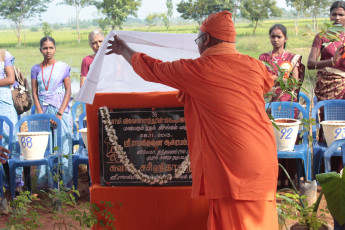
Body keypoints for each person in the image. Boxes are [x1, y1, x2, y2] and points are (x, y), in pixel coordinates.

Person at [106, 11, 278, 230]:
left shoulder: (196, 70)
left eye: (198, 39)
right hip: (264, 156)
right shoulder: (255, 65)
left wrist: (123, 49)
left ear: (206, 39)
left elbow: (152, 69)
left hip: (234, 165)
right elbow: (268, 82)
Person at [31, 36, 73, 188]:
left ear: (55, 49)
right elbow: (34, 93)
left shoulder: (63, 67)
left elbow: (68, 90)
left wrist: (59, 114)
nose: (48, 51)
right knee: (45, 146)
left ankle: (65, 184)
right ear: (40, 50)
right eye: (45, 48)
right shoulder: (36, 69)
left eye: (51, 48)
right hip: (43, 110)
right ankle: (47, 185)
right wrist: (42, 114)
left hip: (61, 111)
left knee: (64, 146)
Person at [259, 24, 304, 102]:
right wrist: (283, 79)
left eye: (279, 37)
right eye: (273, 37)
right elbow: (260, 79)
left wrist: (274, 78)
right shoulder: (264, 57)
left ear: (285, 39)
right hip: (267, 98)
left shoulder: (292, 58)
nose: (275, 39)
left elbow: (294, 82)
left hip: (286, 98)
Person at [0, 49, 23, 190]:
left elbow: (10, 79)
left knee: (11, 140)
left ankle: (16, 183)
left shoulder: (3, 54)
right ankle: (3, 183)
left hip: (5, 102)